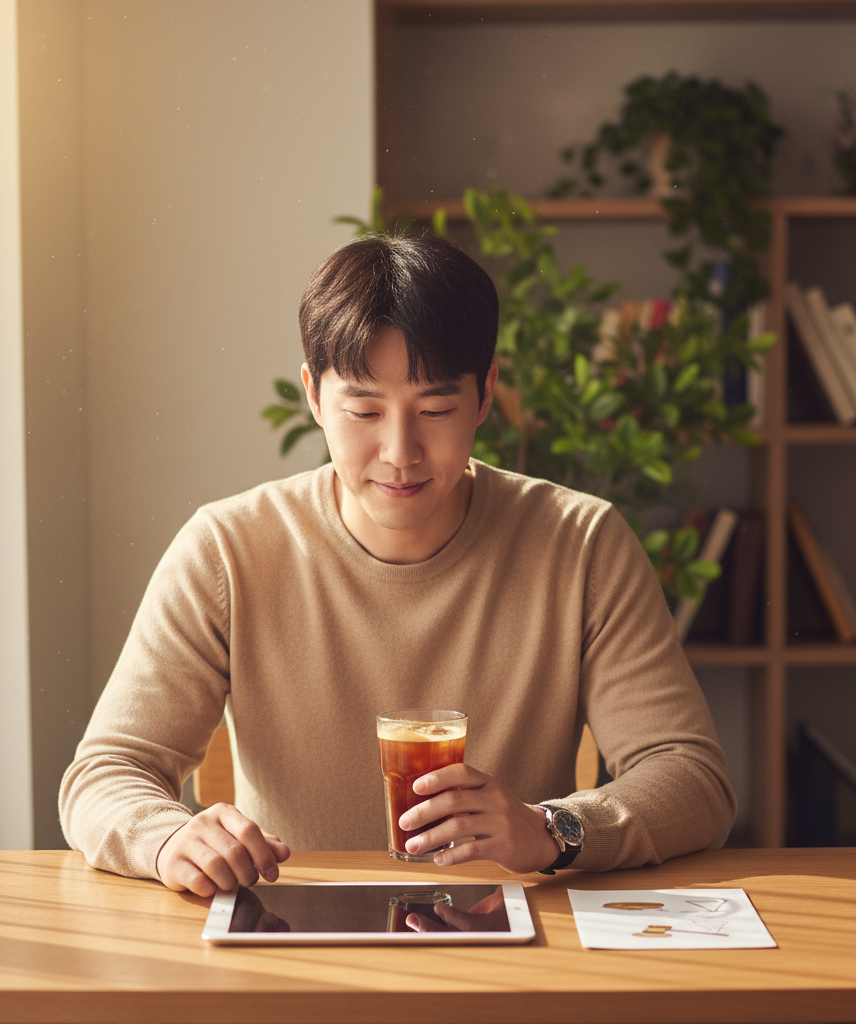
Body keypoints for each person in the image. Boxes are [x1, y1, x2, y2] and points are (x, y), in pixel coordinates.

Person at [59, 233, 736, 897]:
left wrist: (553, 829)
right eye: (363, 410)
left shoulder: (580, 544)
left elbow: (692, 776)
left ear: (487, 393)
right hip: (296, 946)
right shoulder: (228, 549)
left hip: (508, 951)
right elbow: (106, 772)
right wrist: (168, 838)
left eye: (436, 408)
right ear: (313, 396)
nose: (399, 451)